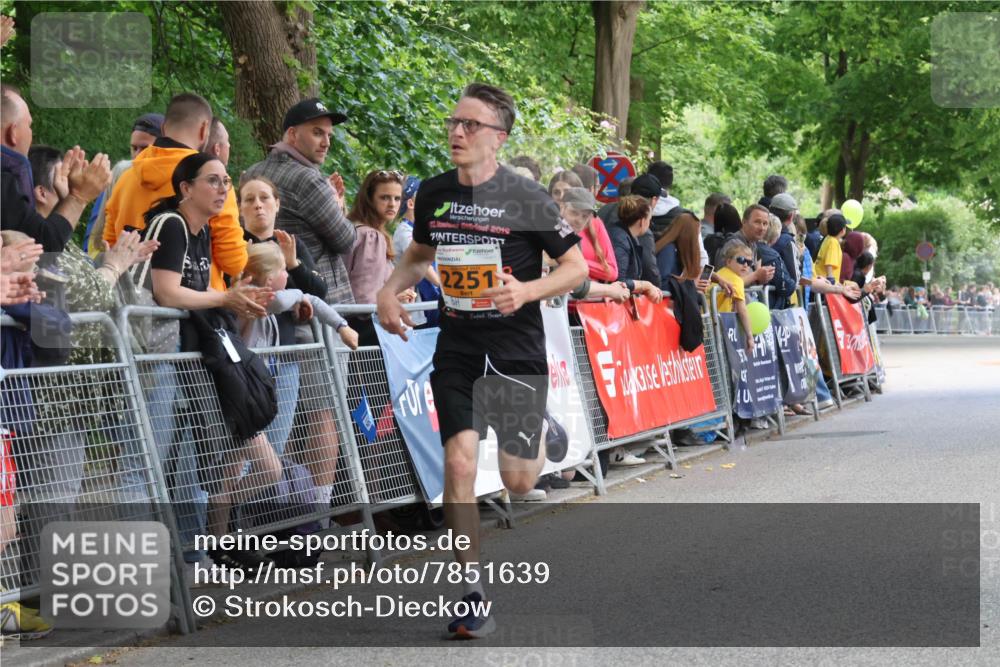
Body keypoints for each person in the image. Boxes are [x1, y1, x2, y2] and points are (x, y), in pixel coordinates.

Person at [376, 82, 587, 639]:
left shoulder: (528, 197)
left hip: (516, 348)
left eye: (470, 125)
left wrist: (526, 291)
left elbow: (576, 268)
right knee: (461, 468)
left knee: (519, 481)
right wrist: (386, 291)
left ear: (499, 137)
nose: (457, 132)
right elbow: (419, 255)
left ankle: (538, 425)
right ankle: (471, 594)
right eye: (454, 122)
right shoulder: (436, 193)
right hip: (459, 347)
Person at [140, 153, 277, 570]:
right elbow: (167, 292)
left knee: (185, 464)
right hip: (157, 357)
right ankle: (144, 569)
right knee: (148, 465)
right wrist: (226, 298)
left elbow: (197, 299)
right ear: (186, 188)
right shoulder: (174, 225)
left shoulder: (203, 233)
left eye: (225, 182)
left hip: (189, 360)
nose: (223, 189)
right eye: (213, 181)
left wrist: (237, 304)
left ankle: (189, 555)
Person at [238, 176, 344, 505]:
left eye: (265, 198)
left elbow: (319, 291)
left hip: (286, 361)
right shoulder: (233, 243)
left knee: (276, 449)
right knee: (244, 455)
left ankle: (256, 527)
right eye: (249, 199)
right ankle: (228, 530)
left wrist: (294, 264)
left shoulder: (290, 243)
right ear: (239, 208)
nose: (258, 204)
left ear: (277, 204)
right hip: (246, 363)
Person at [104, 93, 246, 291]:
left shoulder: (126, 178)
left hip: (133, 302)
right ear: (205, 129)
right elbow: (233, 260)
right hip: (193, 306)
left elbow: (109, 244)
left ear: (163, 129)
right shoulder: (211, 179)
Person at [243, 98, 356, 304]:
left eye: (329, 135)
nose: (327, 142)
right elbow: (347, 240)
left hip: (265, 296)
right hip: (319, 306)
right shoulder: (308, 180)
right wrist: (338, 206)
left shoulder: (252, 173)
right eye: (317, 133)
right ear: (293, 134)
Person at [2, 84, 111, 251]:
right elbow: (43, 246)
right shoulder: (3, 182)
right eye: (29, 125)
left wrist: (66, 200)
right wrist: (78, 197)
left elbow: (35, 232)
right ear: (13, 133)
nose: (32, 133)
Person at [345, 169, 415, 345]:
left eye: (397, 198)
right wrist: (393, 297)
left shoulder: (357, 228)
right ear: (369, 199)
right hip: (368, 330)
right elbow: (364, 297)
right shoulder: (371, 236)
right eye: (384, 197)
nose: (392, 204)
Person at [84, 112, 165, 255]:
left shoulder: (178, 184)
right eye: (134, 148)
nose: (137, 155)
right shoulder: (120, 173)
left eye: (145, 149)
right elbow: (97, 230)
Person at [392, 175, 441, 327]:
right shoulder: (404, 232)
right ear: (412, 203)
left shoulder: (422, 230)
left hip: (430, 304)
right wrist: (445, 286)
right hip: (418, 310)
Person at [607, 195, 664, 303]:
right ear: (642, 221)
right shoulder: (621, 240)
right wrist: (645, 285)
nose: (649, 224)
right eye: (649, 220)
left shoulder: (623, 235)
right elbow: (619, 282)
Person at [654, 210, 709, 297]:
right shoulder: (668, 250)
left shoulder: (674, 249)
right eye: (696, 235)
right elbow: (662, 283)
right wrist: (690, 286)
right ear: (688, 235)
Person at [715, 241, 755, 354]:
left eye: (749, 262)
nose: (746, 265)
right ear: (728, 261)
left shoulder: (720, 273)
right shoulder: (736, 280)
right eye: (741, 260)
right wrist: (750, 336)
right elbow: (742, 310)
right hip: (718, 326)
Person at [816, 214, 848, 284]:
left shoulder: (828, 238)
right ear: (843, 230)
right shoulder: (833, 243)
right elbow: (829, 264)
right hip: (825, 282)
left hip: (820, 279)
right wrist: (831, 281)